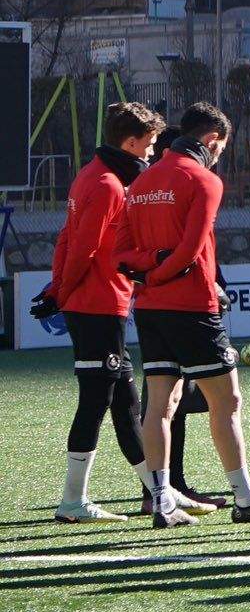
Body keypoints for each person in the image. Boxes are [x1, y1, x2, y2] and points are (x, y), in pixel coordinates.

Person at [118, 102, 250, 527]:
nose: (219, 156)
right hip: (192, 306)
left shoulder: (141, 182)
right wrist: (161, 272)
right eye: (222, 148)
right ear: (212, 140)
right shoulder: (203, 180)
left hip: (151, 307)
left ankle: (161, 500)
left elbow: (121, 252)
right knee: (226, 402)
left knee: (160, 404)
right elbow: (191, 251)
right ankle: (246, 499)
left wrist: (149, 273)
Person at [39, 102, 164, 523]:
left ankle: (158, 493)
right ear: (130, 143)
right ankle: (72, 501)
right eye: (149, 144)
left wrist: (58, 287)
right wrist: (62, 291)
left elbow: (66, 238)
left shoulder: (90, 174)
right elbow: (83, 248)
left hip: (100, 303)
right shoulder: (110, 184)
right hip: (98, 305)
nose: (151, 152)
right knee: (96, 400)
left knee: (126, 401)